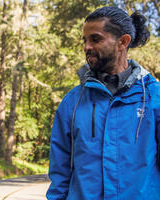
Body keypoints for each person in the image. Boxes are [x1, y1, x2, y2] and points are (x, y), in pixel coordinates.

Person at [46, 6, 160, 200]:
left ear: (123, 42)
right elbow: (60, 172)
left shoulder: (153, 97)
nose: (86, 47)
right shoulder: (73, 102)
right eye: (85, 40)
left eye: (95, 39)